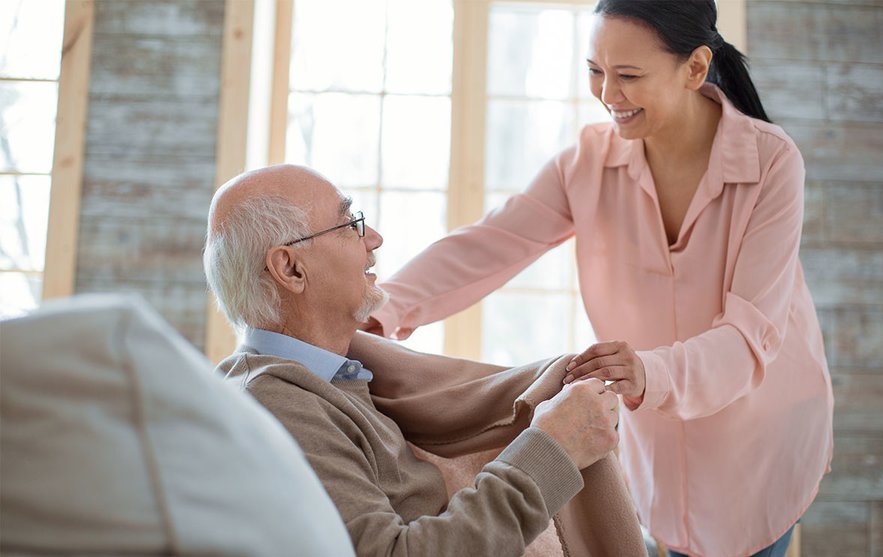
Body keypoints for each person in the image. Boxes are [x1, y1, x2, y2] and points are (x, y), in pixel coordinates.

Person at [365, 1, 834, 556]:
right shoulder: (586, 164)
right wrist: (381, 308)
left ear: (695, 67)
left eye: (629, 75)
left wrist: (646, 372)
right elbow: (489, 244)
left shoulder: (772, 164)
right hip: (655, 445)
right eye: (595, 71)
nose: (608, 94)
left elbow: (747, 338)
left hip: (759, 442)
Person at [201, 164, 646, 557]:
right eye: (348, 224)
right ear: (291, 269)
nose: (373, 239)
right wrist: (554, 450)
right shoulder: (277, 406)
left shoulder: (337, 379)